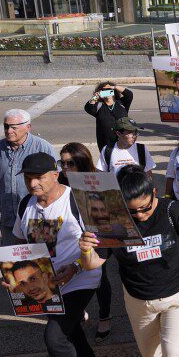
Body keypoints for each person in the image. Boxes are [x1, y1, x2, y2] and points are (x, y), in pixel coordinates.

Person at [79, 165, 179, 357]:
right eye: (132, 211)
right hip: (138, 301)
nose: (140, 215)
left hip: (178, 297)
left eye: (145, 208)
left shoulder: (174, 211)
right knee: (151, 355)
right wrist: (85, 251)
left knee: (174, 352)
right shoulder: (112, 222)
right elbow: (93, 263)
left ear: (154, 193)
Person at [9, 152, 102, 357]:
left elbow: (103, 247)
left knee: (54, 337)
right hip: (47, 285)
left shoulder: (79, 200)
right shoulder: (25, 205)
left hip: (81, 278)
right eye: (28, 177)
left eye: (39, 177)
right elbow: (20, 243)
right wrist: (11, 275)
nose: (33, 183)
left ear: (56, 175)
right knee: (67, 327)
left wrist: (75, 267)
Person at [57, 143, 115, 342]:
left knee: (99, 277)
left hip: (97, 235)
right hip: (71, 236)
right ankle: (79, 310)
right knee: (70, 273)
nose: (65, 168)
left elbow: (110, 216)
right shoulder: (60, 183)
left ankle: (105, 316)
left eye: (70, 163)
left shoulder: (97, 180)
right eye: (62, 163)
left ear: (81, 162)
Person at [0, 109, 57, 245]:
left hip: (37, 217)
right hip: (8, 218)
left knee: (41, 261)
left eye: (14, 127)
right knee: (14, 262)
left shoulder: (43, 147)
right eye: (6, 126)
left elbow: (56, 181)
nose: (8, 131)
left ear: (28, 127)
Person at [84, 82, 134, 152]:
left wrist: (114, 87)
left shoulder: (122, 103)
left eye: (109, 90)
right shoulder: (99, 106)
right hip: (106, 145)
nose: (107, 92)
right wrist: (95, 97)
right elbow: (88, 108)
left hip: (124, 142)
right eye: (104, 91)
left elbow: (129, 94)